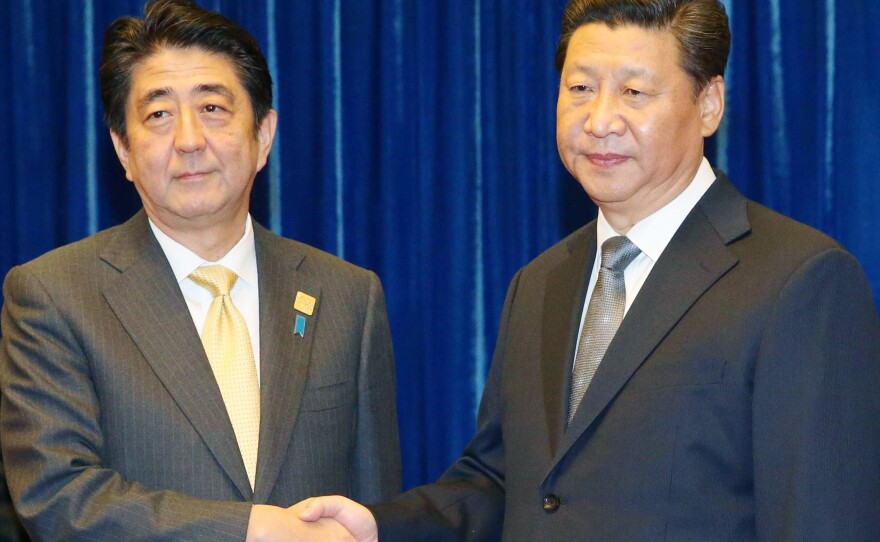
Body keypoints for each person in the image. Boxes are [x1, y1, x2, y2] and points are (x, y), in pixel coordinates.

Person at [299, 0, 880, 540]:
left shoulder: (799, 280)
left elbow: (820, 519)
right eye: (580, 88)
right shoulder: (541, 280)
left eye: (633, 92)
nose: (600, 120)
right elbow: (508, 483)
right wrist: (375, 528)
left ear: (709, 104)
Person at [0, 1, 400, 540]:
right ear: (123, 148)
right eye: (159, 114)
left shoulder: (349, 295)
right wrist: (249, 529)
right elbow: (57, 497)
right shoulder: (54, 295)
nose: (189, 140)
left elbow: (372, 506)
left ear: (263, 135)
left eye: (212, 108)